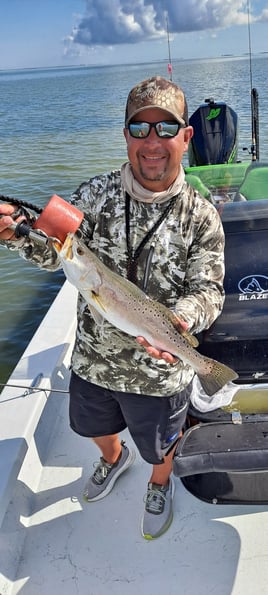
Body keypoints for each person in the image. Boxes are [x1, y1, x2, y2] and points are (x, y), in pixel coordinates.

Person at [0, 76, 225, 540]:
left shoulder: (201, 215)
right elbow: (53, 248)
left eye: (166, 128)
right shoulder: (95, 196)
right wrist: (18, 233)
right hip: (93, 363)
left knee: (160, 447)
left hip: (162, 373)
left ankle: (159, 484)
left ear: (187, 136)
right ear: (125, 135)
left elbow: (209, 290)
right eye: (139, 129)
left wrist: (181, 319)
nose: (152, 142)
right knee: (90, 428)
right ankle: (112, 458)